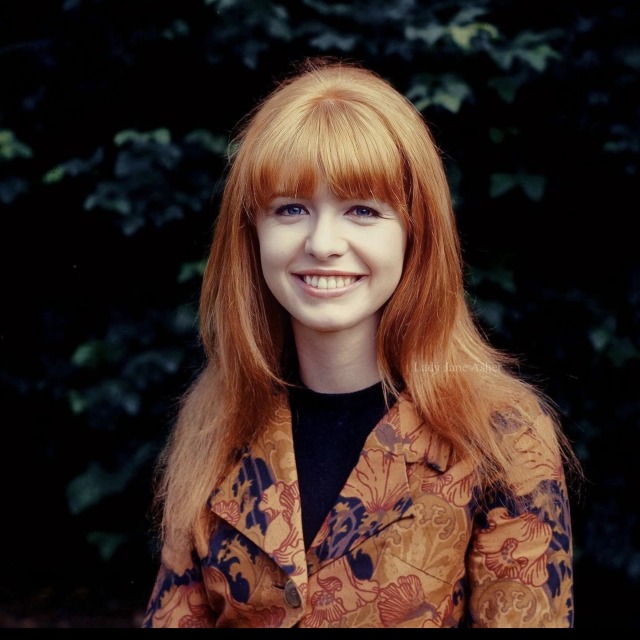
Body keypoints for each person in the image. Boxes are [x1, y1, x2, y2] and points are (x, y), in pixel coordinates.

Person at [141, 57, 580, 628]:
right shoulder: (216, 421)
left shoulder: (500, 434)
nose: (323, 242)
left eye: (363, 210)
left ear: (415, 233)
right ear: (252, 232)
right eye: (291, 208)